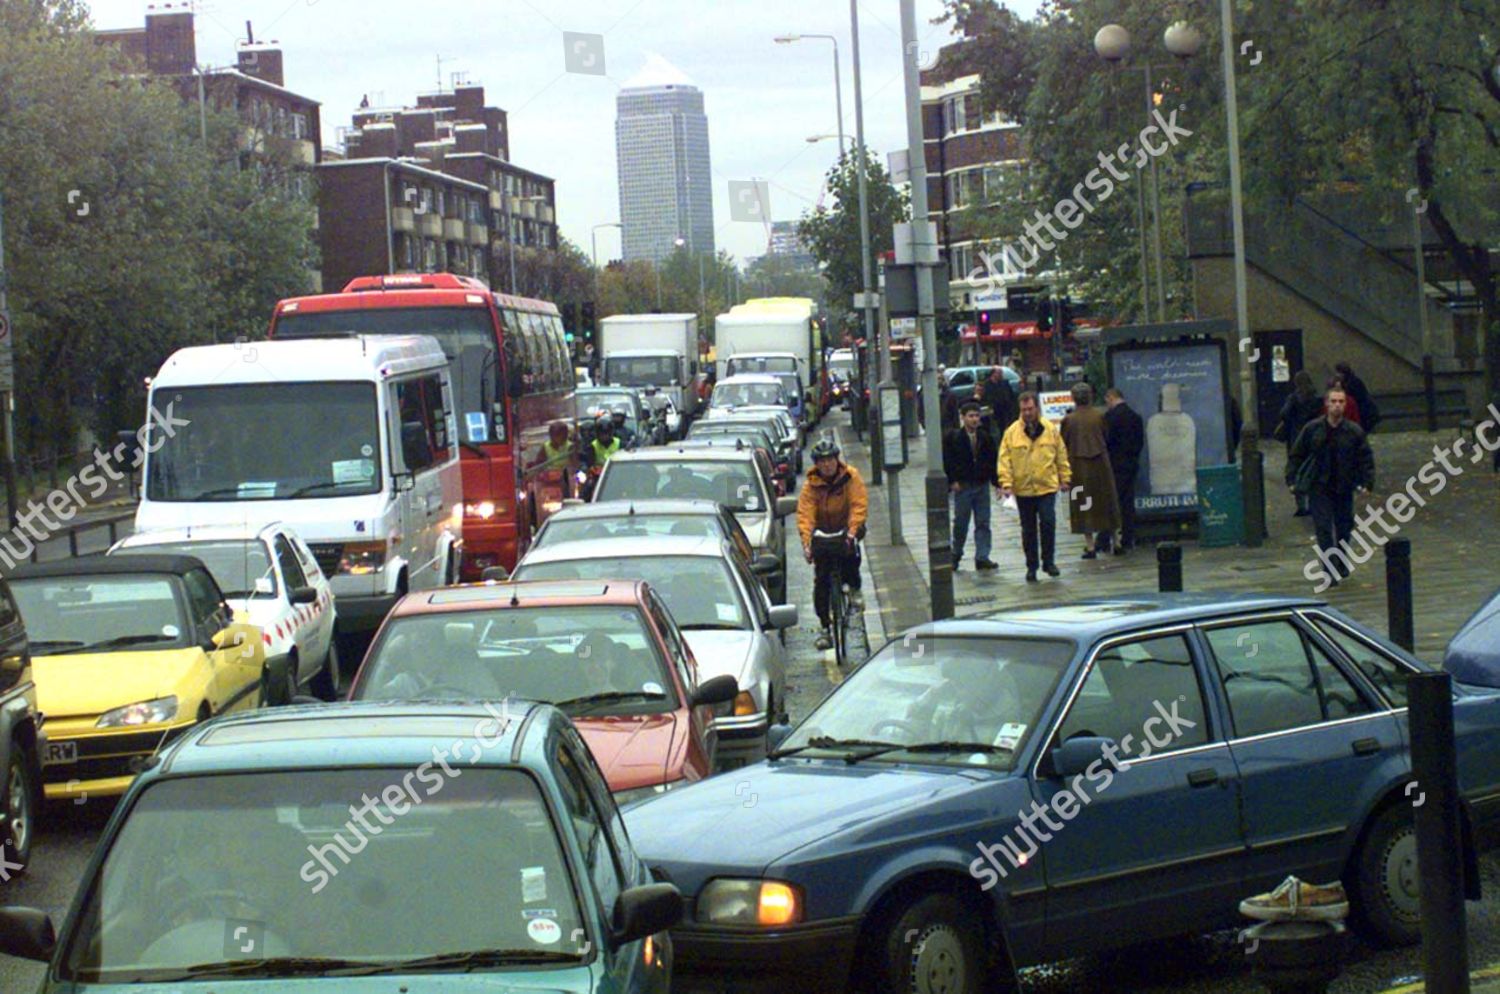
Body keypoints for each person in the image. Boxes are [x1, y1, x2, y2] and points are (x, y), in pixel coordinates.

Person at [1288, 386, 1375, 586]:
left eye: (1340, 402)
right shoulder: (1313, 429)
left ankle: (1341, 561)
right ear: (1326, 404)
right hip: (1319, 486)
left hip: (1344, 486)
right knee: (1323, 528)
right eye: (1333, 401)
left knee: (1344, 528)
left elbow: (1365, 458)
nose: (1337, 406)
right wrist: (1292, 479)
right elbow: (1297, 454)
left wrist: (1366, 482)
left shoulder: (1353, 431)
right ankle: (1329, 569)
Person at [797, 438, 868, 650]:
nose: (827, 465)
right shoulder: (811, 485)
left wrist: (852, 531)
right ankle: (825, 628)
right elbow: (805, 514)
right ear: (816, 464)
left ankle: (854, 589)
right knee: (822, 580)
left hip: (846, 526)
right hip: (823, 532)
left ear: (837, 460)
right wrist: (807, 542)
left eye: (830, 460)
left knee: (851, 555)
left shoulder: (851, 477)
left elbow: (858, 505)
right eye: (822, 461)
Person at [997, 392, 1071, 583]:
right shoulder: (1011, 433)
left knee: (1048, 523)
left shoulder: (1050, 429)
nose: (1027, 413)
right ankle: (1032, 566)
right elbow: (1004, 460)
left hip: (1046, 486)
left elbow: (1060, 455)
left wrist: (1065, 478)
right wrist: (1006, 484)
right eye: (1023, 410)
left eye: (1030, 409)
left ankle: (1049, 561)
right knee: (1028, 530)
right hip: (1023, 489)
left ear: (1036, 408)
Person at [1058, 382, 1121, 558]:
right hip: (1102, 464)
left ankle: (1090, 546)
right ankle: (1116, 542)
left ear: (1073, 398)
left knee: (1083, 505)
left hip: (1078, 467)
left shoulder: (1068, 420)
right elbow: (1107, 437)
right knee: (1107, 502)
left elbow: (1062, 444)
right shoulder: (1100, 416)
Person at [942, 401, 1000, 572]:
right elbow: (948, 461)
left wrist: (996, 483)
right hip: (964, 485)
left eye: (976, 416)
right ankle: (956, 554)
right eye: (971, 416)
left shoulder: (985, 437)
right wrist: (952, 481)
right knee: (961, 522)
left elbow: (992, 461)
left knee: (983, 522)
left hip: (981, 484)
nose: (974, 419)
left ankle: (982, 557)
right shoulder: (954, 438)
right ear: (963, 418)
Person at [1273, 371, 1323, 516]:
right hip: (1313, 438)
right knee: (1312, 468)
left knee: (1296, 470)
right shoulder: (1315, 398)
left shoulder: (1294, 398)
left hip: (1296, 438)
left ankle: (1301, 504)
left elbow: (1284, 414)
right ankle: (1314, 502)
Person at [1101, 388, 1144, 553]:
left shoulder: (1110, 418)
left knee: (1111, 502)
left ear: (1111, 397)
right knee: (1127, 502)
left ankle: (1104, 539)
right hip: (1131, 465)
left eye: (1107, 401)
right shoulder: (1135, 417)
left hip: (1114, 466)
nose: (1107, 404)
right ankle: (1128, 537)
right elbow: (1139, 443)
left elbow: (1107, 441)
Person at [1335, 362, 1380, 432]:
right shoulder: (1351, 381)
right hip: (1363, 412)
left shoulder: (1352, 383)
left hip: (1364, 413)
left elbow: (1354, 398)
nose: (1337, 375)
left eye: (1339, 373)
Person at [977, 366, 1017, 441]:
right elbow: (984, 399)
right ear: (994, 374)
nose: (1001, 375)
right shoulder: (986, 385)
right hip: (993, 412)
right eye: (999, 373)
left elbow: (1011, 396)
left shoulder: (1004, 383)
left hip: (1005, 411)